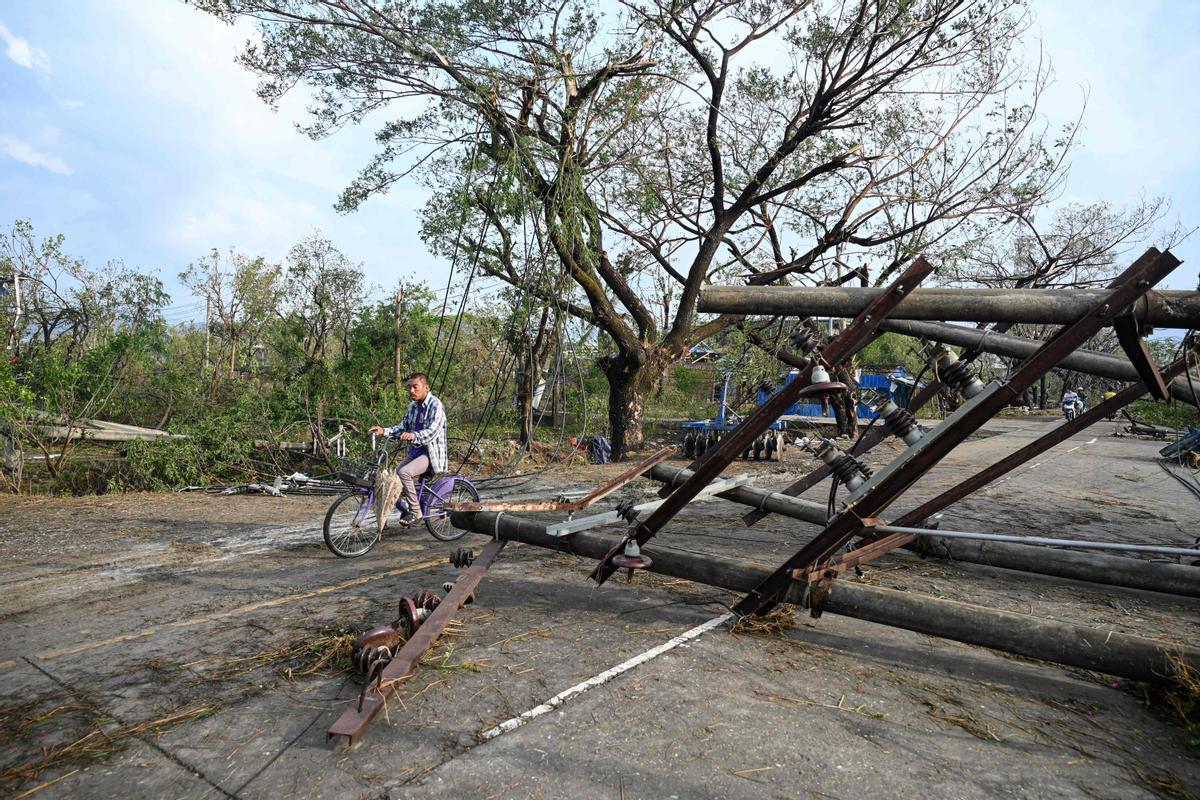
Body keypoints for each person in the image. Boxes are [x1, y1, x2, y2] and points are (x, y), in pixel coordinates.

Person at [368, 373, 448, 526]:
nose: (411, 390)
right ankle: (405, 509)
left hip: (431, 455)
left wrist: (413, 436)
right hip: (416, 453)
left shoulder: (435, 405)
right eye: (409, 387)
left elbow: (432, 431)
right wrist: (383, 431)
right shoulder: (413, 407)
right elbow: (402, 427)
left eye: (415, 387)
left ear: (426, 388)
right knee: (395, 478)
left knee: (404, 472)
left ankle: (416, 512)